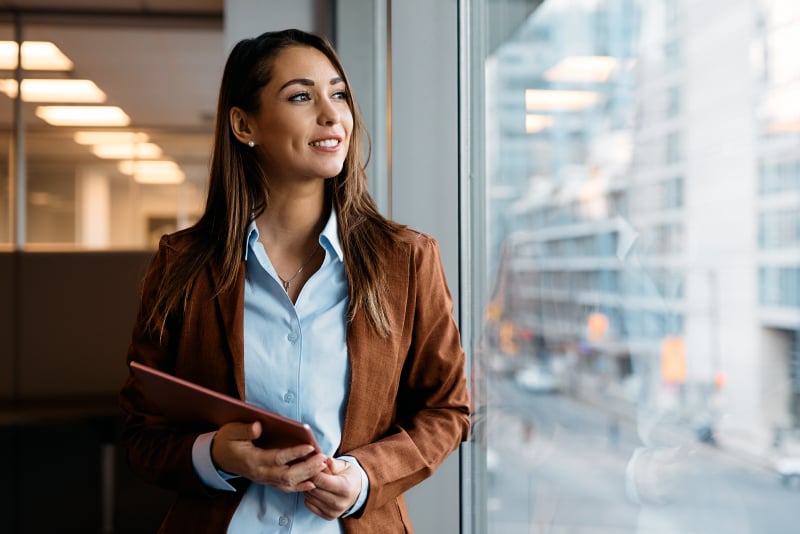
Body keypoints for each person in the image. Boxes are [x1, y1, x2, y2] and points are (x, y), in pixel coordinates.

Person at [118, 28, 471, 533]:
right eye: (302, 96)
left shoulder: (407, 261)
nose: (333, 116)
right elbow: (140, 431)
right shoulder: (182, 264)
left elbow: (447, 409)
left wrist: (365, 477)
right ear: (244, 124)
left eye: (339, 94)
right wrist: (214, 454)